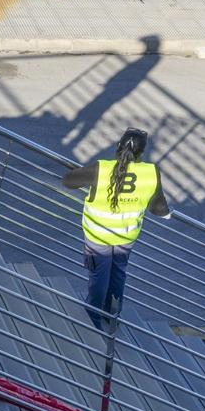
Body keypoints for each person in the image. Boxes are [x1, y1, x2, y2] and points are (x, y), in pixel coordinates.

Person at [62, 128, 170, 330]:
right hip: (126, 236)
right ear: (141, 154)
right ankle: (112, 315)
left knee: (99, 275)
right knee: (118, 273)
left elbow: (68, 181)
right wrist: (166, 213)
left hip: (98, 234)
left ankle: (93, 317)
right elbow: (158, 207)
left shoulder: (101, 169)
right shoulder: (150, 172)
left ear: (117, 147)